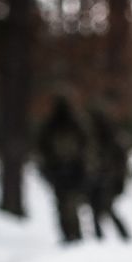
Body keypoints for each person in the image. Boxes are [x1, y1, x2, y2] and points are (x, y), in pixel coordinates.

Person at [34, 93, 92, 244]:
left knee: (66, 204)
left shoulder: (68, 125)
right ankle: (71, 235)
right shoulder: (65, 125)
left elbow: (85, 148)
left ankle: (72, 235)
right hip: (63, 171)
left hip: (68, 171)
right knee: (66, 205)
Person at [86, 108, 132, 242]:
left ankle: (120, 236)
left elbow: (120, 162)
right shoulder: (93, 138)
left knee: (105, 208)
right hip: (98, 178)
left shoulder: (112, 139)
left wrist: (118, 179)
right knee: (98, 209)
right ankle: (100, 237)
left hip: (108, 179)